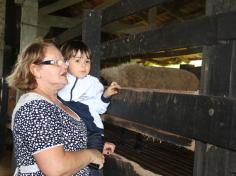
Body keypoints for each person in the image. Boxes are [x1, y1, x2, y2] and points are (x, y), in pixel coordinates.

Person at [7, 39, 105, 176]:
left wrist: (93, 145)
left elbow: (65, 143)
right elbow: (56, 169)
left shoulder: (56, 103)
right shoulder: (35, 107)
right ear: (35, 70)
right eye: (55, 62)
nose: (65, 67)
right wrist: (91, 154)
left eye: (63, 61)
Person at [58, 40, 120, 175]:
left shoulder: (93, 83)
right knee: (73, 162)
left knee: (94, 165)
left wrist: (105, 96)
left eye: (87, 61)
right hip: (70, 131)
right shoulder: (61, 80)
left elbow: (99, 107)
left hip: (92, 130)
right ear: (66, 62)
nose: (83, 65)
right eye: (78, 61)